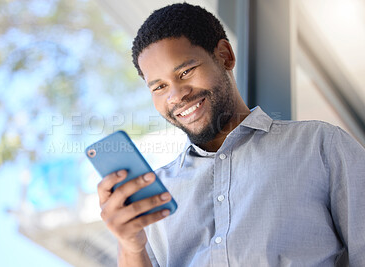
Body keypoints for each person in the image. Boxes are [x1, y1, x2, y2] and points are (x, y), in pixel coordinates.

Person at [96, 3, 365, 266]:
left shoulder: (321, 146)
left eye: (185, 72)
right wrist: (131, 246)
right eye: (159, 87)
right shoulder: (157, 193)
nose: (176, 96)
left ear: (225, 56)